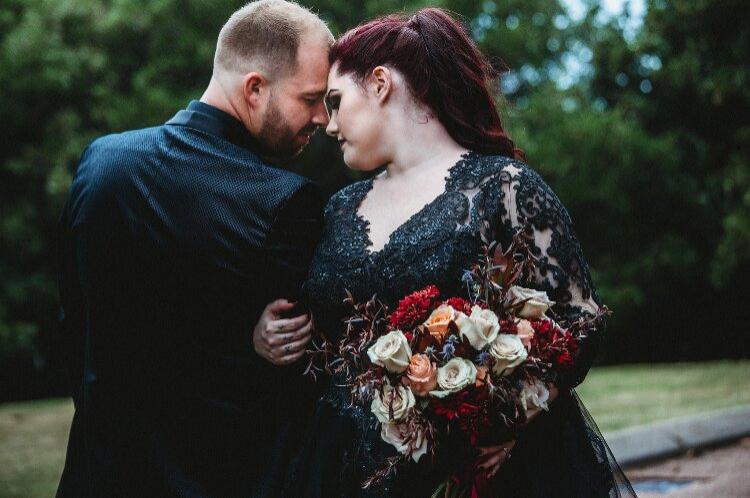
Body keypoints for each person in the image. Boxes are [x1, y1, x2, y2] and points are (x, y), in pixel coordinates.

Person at [287, 8, 636, 497]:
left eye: (337, 100)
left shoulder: (503, 188)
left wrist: (506, 412)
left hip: (483, 476)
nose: (327, 123)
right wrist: (269, 331)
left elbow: (581, 319)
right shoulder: (340, 208)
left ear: (382, 84)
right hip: (348, 470)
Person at [55, 1, 332, 496]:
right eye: (311, 99)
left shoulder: (101, 162)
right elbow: (290, 388)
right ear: (254, 89)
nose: (322, 118)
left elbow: (76, 324)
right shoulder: (284, 201)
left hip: (96, 475)